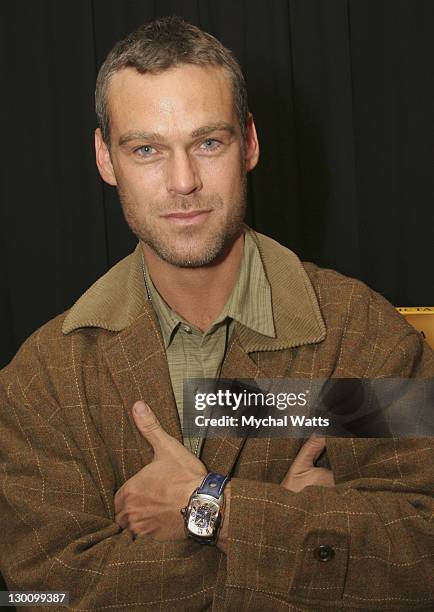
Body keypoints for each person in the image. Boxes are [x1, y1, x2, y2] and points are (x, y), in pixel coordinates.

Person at [0, 16, 433, 611]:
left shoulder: (359, 331)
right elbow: (39, 592)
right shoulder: (45, 377)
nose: (183, 182)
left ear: (249, 143)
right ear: (105, 158)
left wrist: (215, 507)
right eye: (147, 149)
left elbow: (421, 555)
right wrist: (290, 531)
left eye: (209, 142)